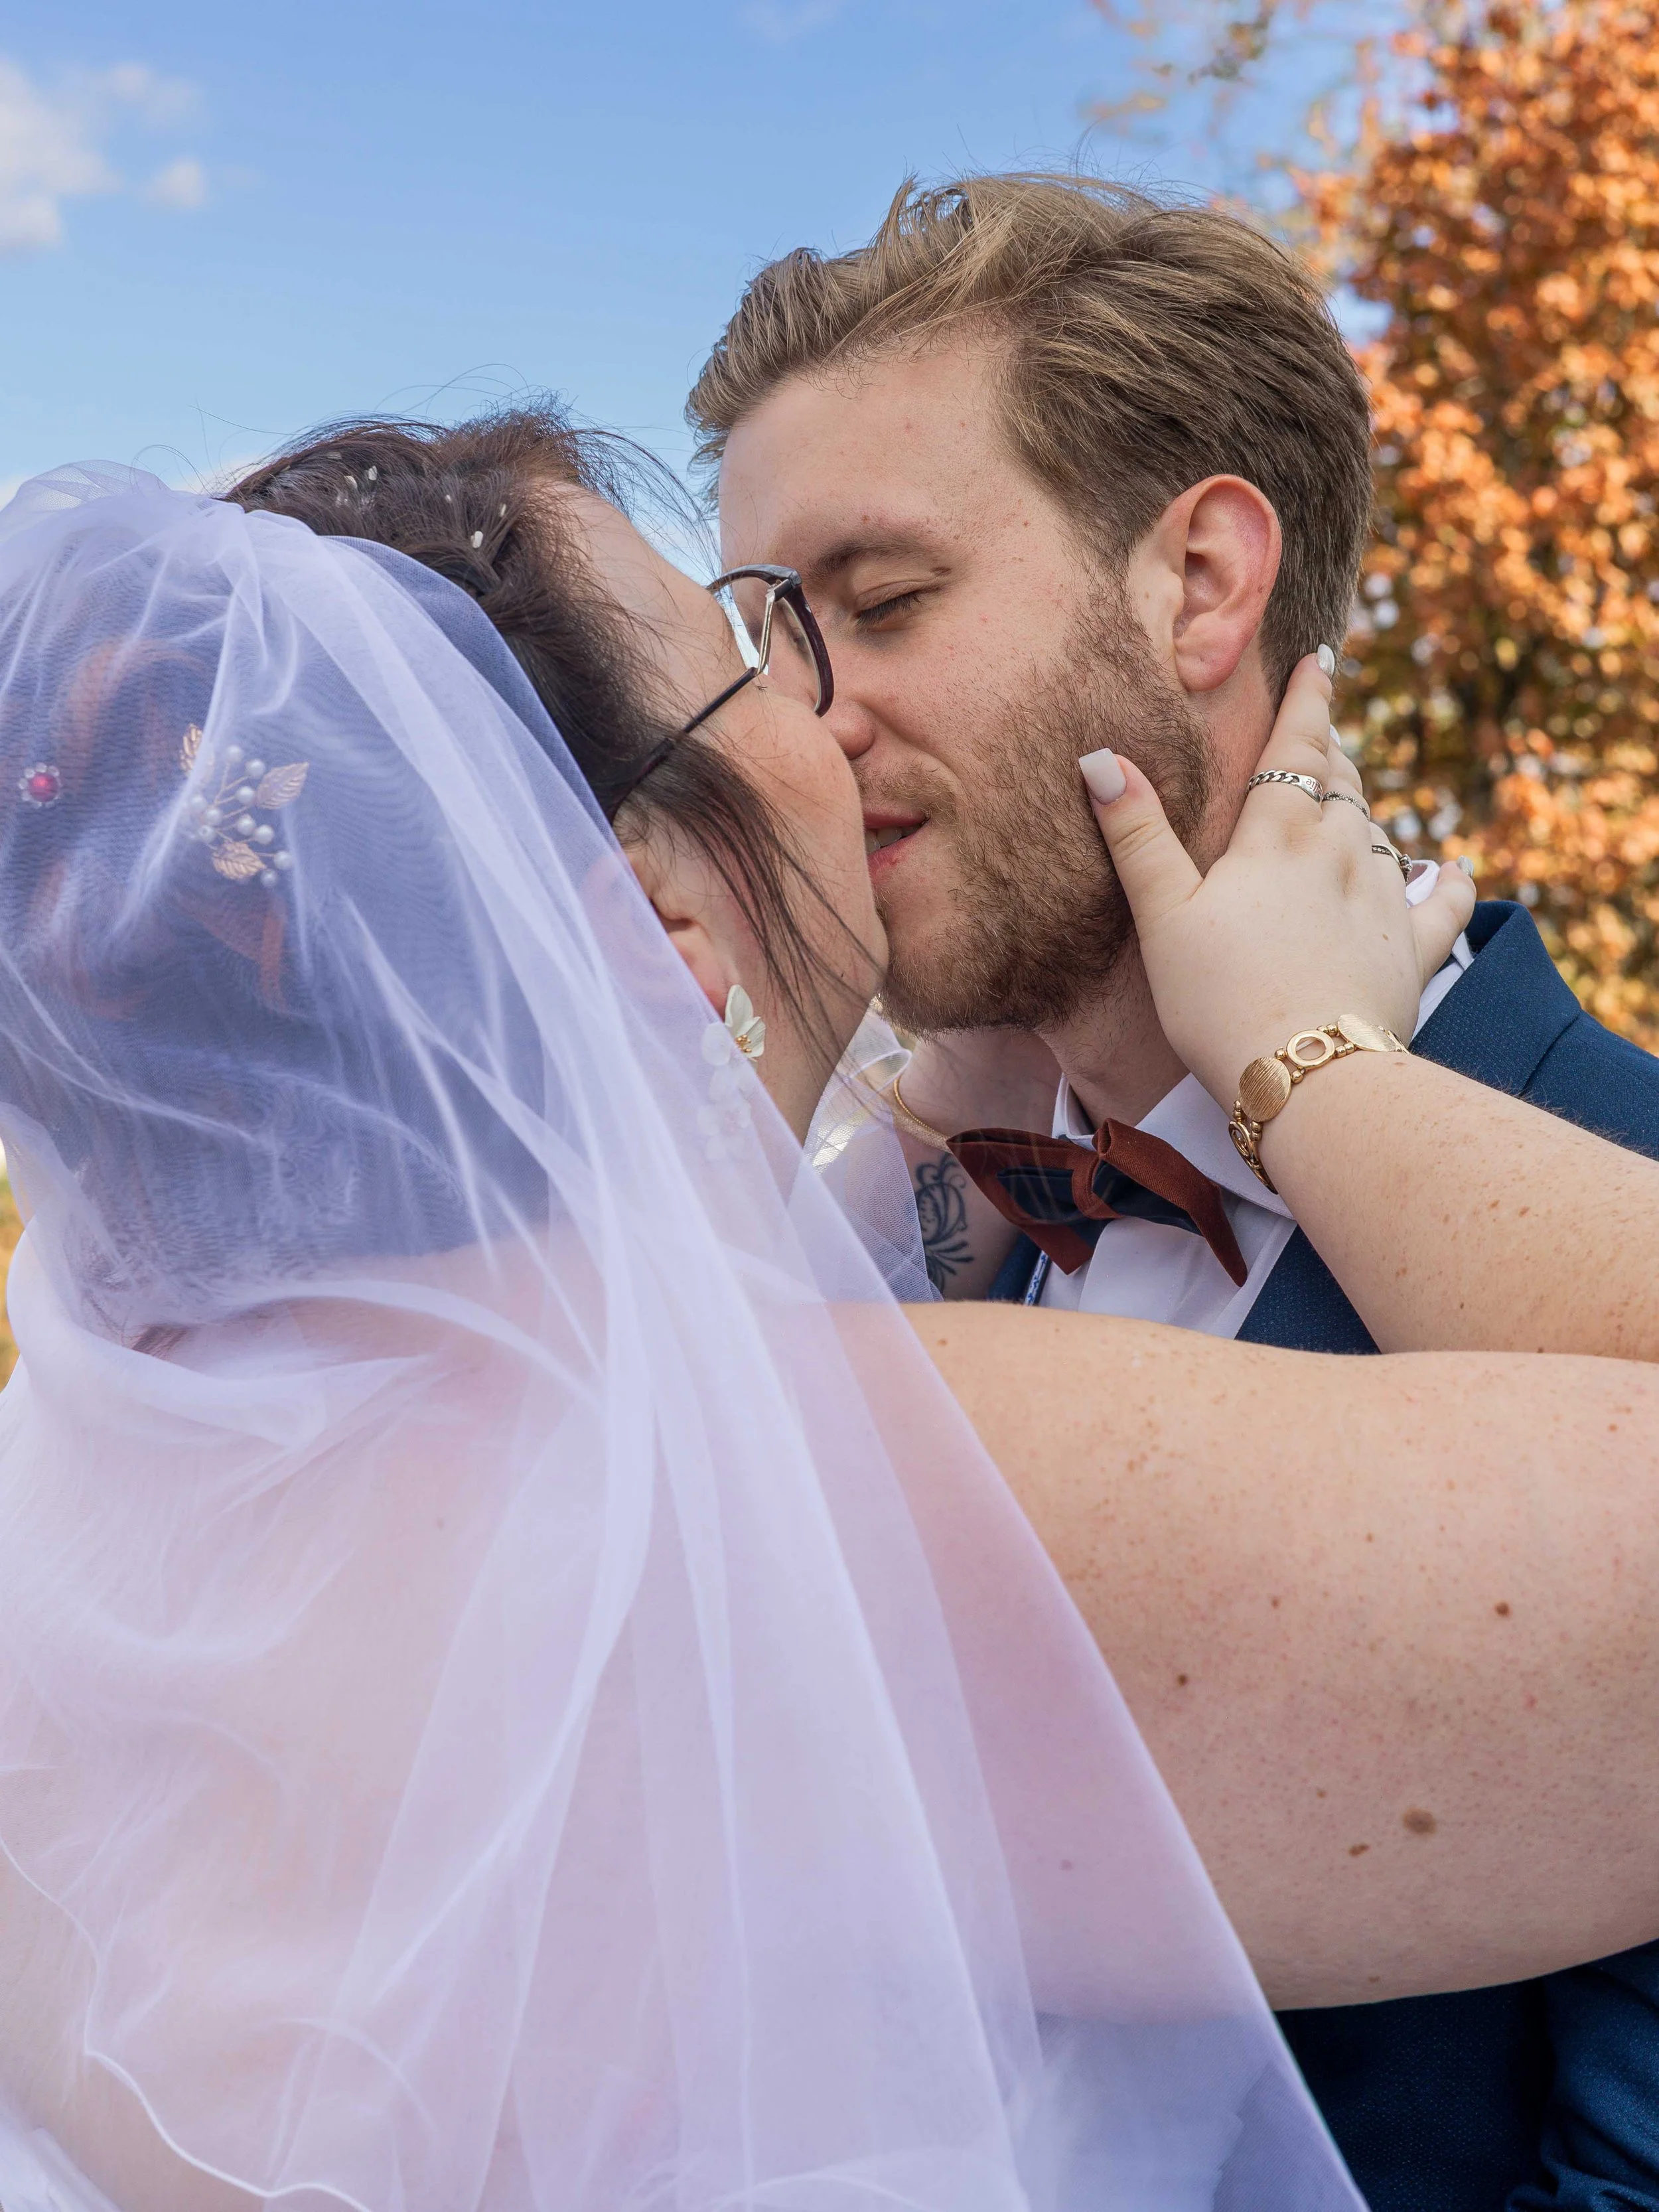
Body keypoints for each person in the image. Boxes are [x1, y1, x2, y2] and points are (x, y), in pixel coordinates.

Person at [0, 430, 1654, 2211]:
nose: (838, 706)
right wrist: (1302, 1059)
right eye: (766, 649)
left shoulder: (112, 1549)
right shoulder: (805, 1497)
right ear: (644, 919)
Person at [691, 173, 1659, 2211]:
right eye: (773, 643)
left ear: (1203, 583)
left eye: (882, 601)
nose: (802, 722)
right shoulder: (926, 1214)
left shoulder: (1613, 1180)